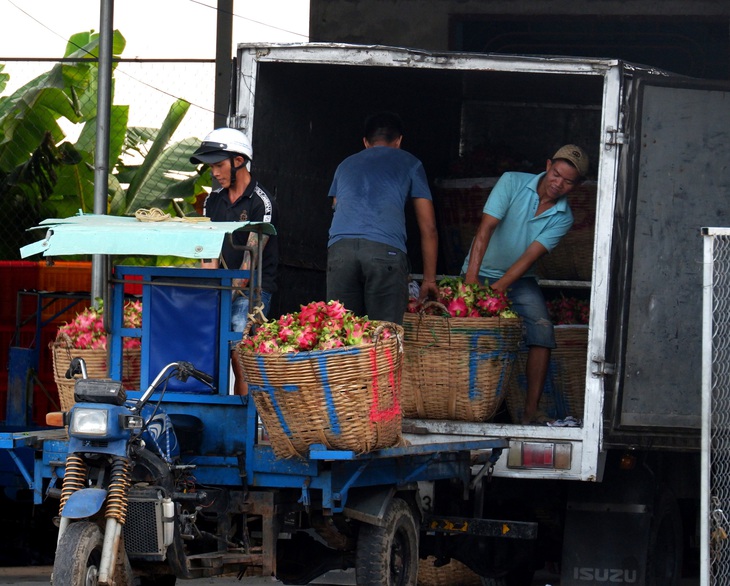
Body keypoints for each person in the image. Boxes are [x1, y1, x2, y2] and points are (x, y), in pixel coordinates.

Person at [462, 144, 589, 424]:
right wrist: (471, 285)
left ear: (576, 186)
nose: (558, 183)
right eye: (556, 174)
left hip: (519, 279)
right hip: (478, 270)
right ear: (547, 166)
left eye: (568, 181)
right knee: (467, 330)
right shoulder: (512, 181)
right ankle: (465, 406)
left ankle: (530, 412)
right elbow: (485, 230)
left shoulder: (563, 217)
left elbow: (530, 255)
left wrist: (497, 291)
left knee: (542, 329)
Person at [326, 111, 438, 324]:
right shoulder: (411, 163)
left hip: (340, 253)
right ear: (399, 141)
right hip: (384, 252)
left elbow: (336, 206)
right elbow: (429, 226)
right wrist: (430, 279)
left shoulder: (345, 165)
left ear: (366, 143)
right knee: (384, 335)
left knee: (341, 333)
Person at [190, 127, 279, 394]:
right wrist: (210, 298)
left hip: (252, 288)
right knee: (210, 341)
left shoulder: (261, 202)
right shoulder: (212, 202)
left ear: (238, 161)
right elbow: (209, 256)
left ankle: (244, 414)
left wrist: (222, 298)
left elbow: (248, 266)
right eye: (211, 167)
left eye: (218, 165)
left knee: (240, 344)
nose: (214, 173)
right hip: (222, 288)